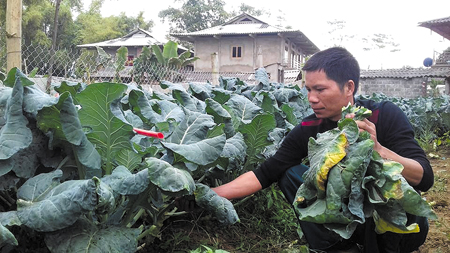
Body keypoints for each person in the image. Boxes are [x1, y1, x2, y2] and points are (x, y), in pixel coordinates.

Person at [212, 47, 434, 253]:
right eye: (308, 89)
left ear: (349, 87)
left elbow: (424, 178)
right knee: (290, 174)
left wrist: (378, 150)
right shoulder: (310, 127)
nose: (311, 98)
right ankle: (334, 248)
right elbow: (266, 173)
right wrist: (210, 194)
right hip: (346, 221)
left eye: (320, 89)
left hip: (399, 225)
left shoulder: (383, 115)